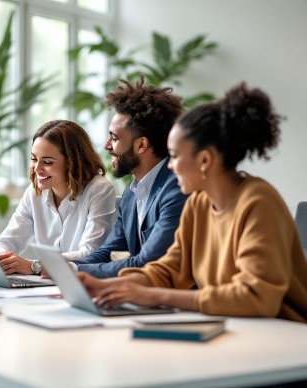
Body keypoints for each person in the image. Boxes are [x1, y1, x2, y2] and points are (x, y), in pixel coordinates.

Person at [79, 83, 307, 323]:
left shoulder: (258, 202)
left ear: (205, 160)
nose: (169, 165)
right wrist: (107, 285)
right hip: (233, 325)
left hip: (284, 331)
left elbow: (256, 297)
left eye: (175, 156)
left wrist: (154, 296)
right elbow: (167, 270)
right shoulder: (199, 204)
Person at [72, 77, 188, 278]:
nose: (107, 146)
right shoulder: (131, 194)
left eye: (115, 138)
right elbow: (108, 253)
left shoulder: (176, 189)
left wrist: (74, 270)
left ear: (141, 145)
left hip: (180, 304)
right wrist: (59, 268)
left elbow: (148, 262)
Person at [0, 119, 116, 275]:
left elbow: (90, 252)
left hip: (82, 282)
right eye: (34, 159)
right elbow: (5, 242)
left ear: (72, 163)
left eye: (47, 162)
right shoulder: (34, 191)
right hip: (46, 285)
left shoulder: (99, 189)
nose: (37, 169)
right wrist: (2, 259)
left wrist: (35, 266)